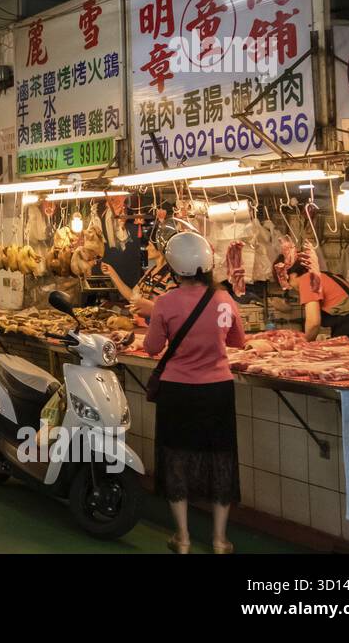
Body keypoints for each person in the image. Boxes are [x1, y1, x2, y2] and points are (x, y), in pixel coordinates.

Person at [143, 231, 245, 554]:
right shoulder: (225, 300)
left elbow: (152, 347)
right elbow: (237, 341)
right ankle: (219, 539)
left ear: (174, 268)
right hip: (217, 391)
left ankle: (183, 538)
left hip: (177, 392)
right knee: (220, 459)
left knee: (176, 458)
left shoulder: (165, 303)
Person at [278, 256, 349, 350]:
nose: (290, 287)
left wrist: (302, 346)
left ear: (293, 275)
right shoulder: (324, 275)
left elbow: (313, 323)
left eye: (288, 282)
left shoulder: (308, 279)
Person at [100, 223, 177, 319]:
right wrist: (112, 273)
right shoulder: (150, 272)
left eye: (150, 245)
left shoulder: (171, 276)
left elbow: (169, 310)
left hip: (155, 326)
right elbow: (132, 296)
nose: (147, 248)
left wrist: (143, 305)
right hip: (141, 324)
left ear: (160, 248)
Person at [92, 195, 144, 288]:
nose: (121, 207)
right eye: (115, 202)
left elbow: (142, 242)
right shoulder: (101, 222)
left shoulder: (134, 223)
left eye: (123, 204)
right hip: (110, 275)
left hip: (131, 277)